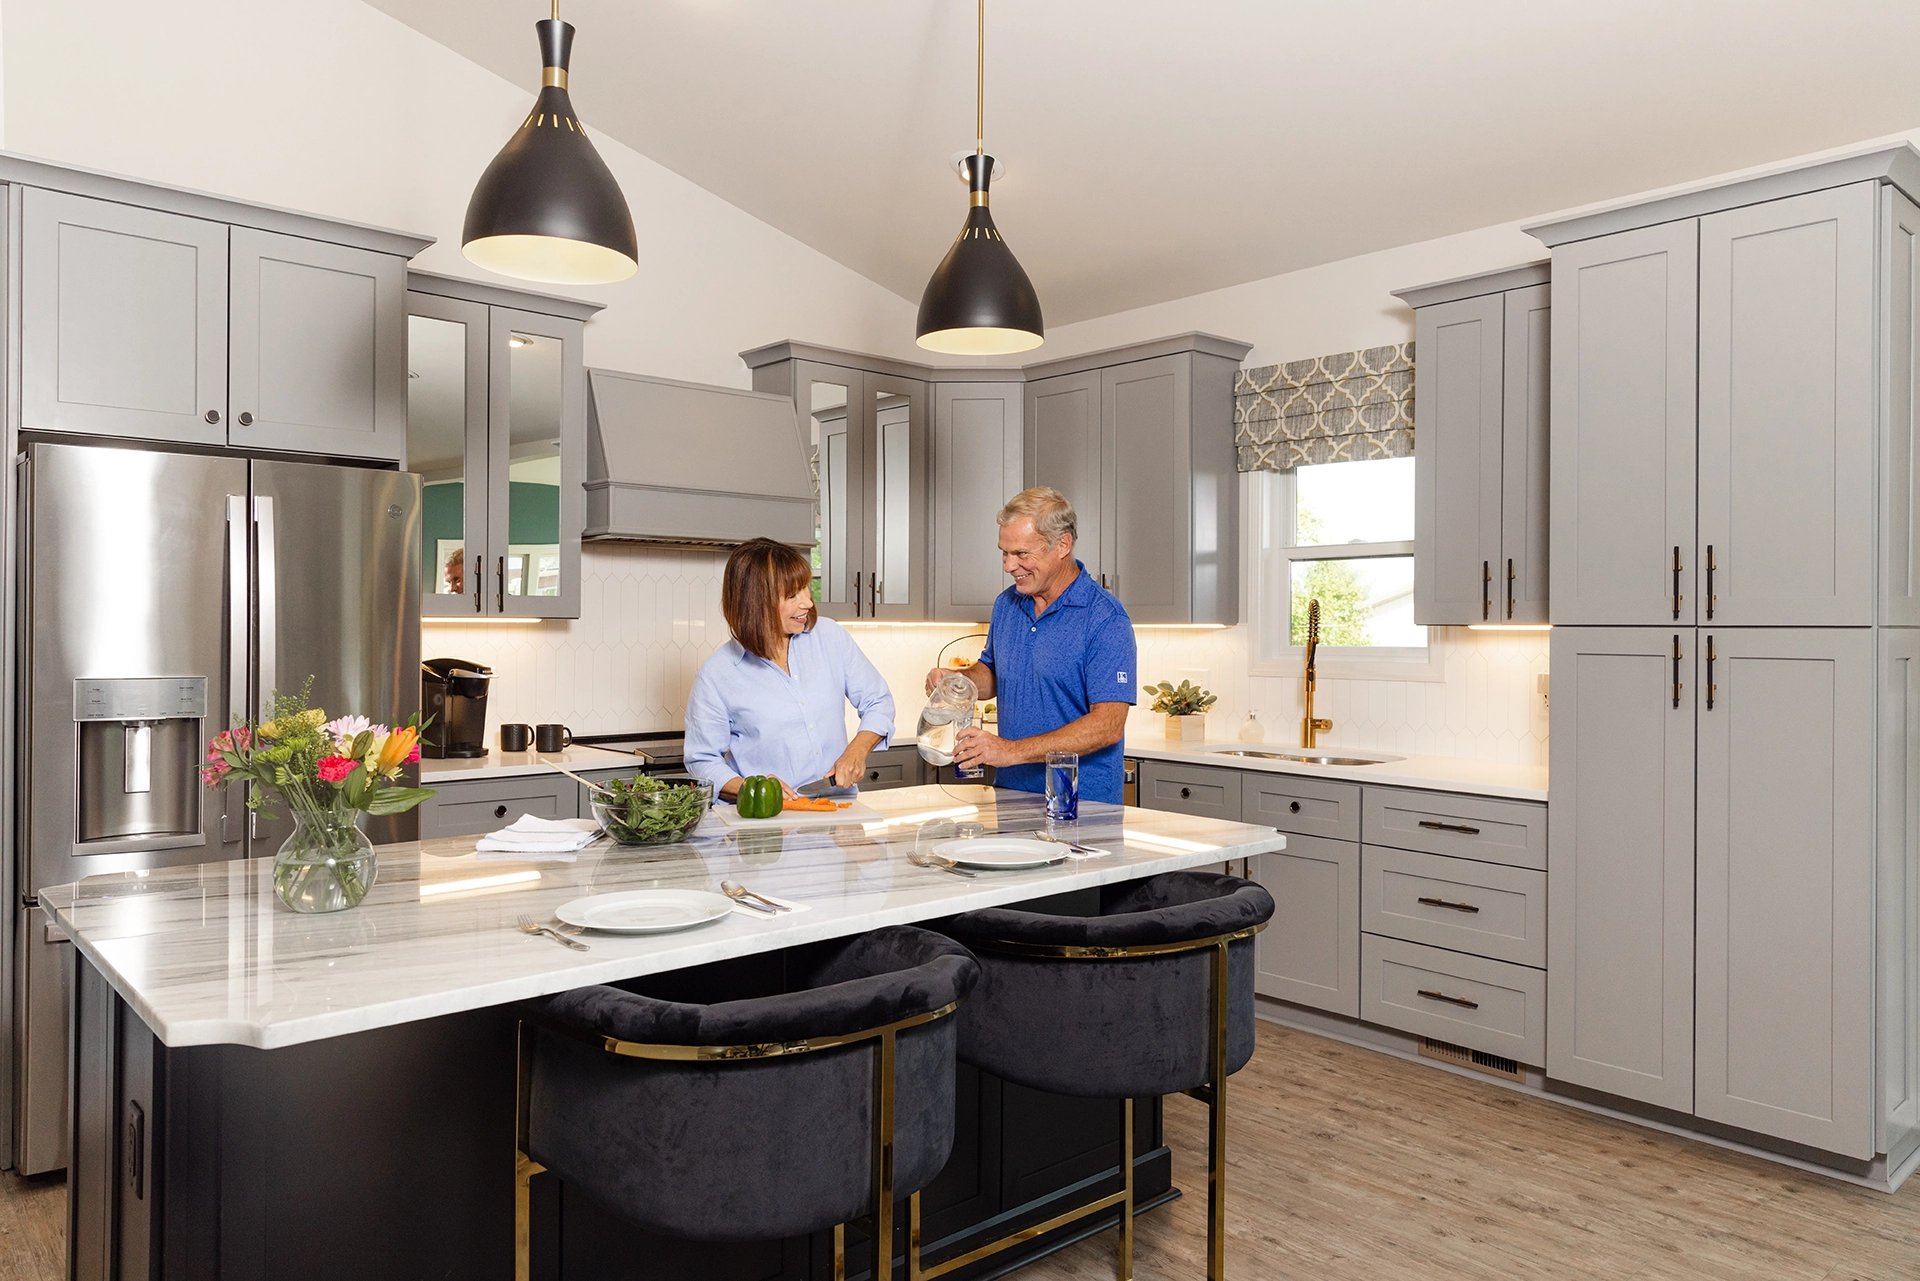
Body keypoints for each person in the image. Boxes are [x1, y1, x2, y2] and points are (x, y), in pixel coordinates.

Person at [923, 487, 1135, 804]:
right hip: (1011, 797)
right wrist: (959, 681)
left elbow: (1107, 726)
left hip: (1082, 806)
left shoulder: (1105, 618)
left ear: (1062, 544)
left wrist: (1009, 750)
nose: (1009, 566)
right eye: (1004, 553)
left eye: (1022, 554)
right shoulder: (1007, 605)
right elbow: (993, 672)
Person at [687, 538, 894, 802]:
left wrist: (857, 751)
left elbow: (878, 701)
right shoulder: (716, 675)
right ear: (756, 602)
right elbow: (702, 760)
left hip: (839, 810)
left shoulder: (830, 637)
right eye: (793, 595)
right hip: (766, 819)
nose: (808, 602)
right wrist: (753, 787)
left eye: (806, 589)